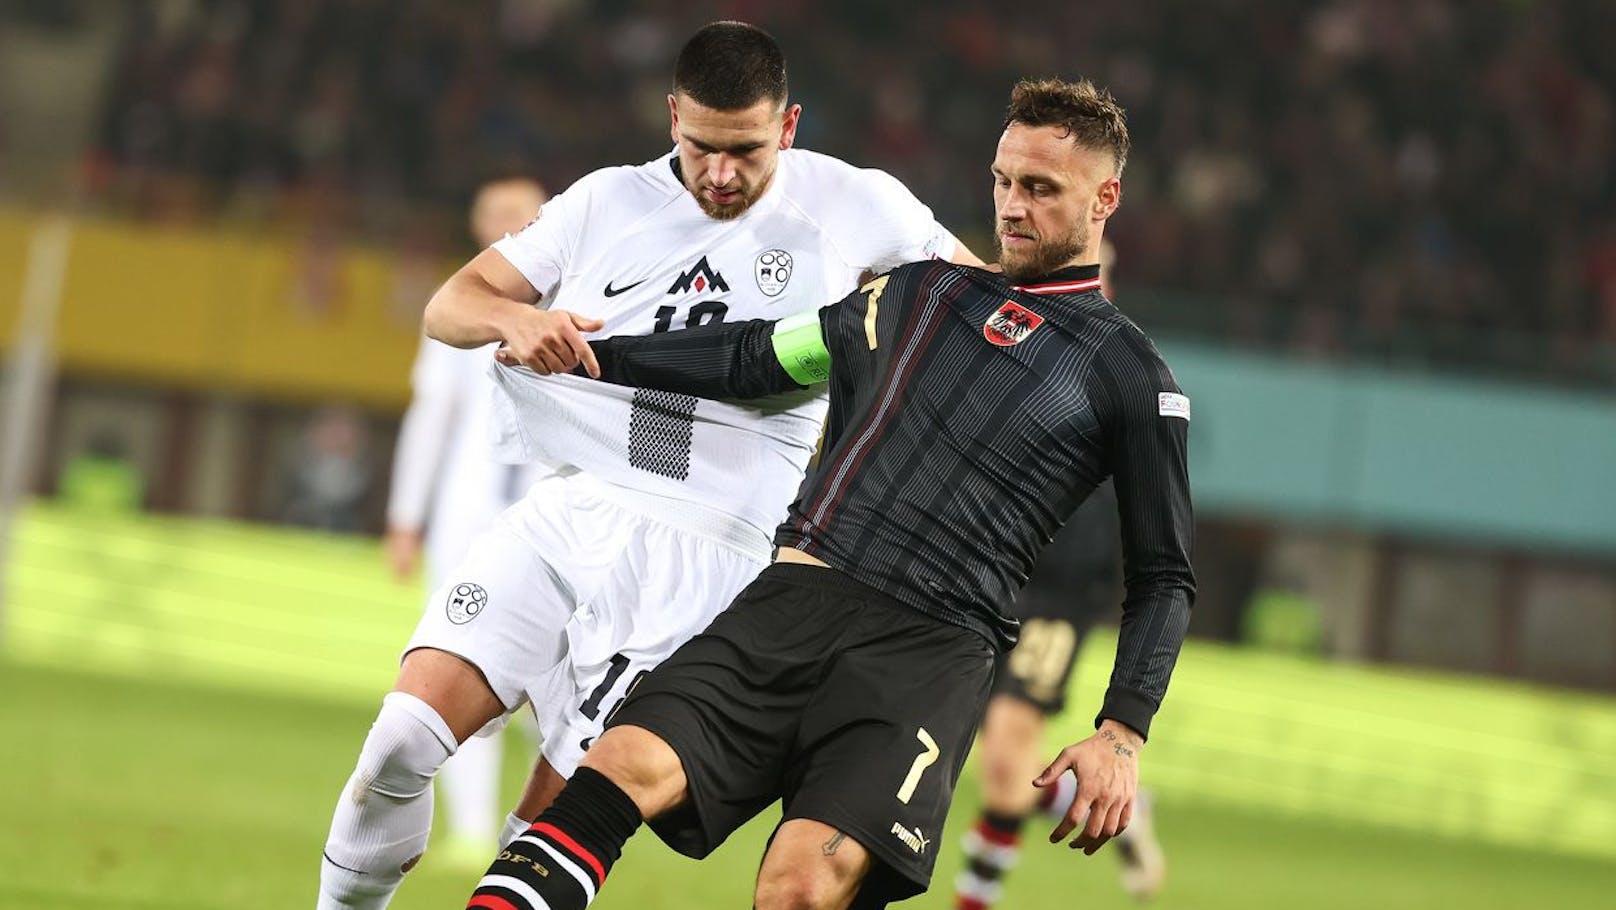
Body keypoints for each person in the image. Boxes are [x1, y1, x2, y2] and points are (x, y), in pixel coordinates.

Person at [468, 77, 1194, 910]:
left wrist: (1122, 731)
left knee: (801, 888)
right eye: (1002, 180)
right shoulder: (915, 293)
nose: (1010, 206)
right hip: (795, 598)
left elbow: (1165, 575)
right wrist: (587, 352)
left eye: (1040, 189)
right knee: (619, 765)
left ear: (1106, 198)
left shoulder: (1132, 376)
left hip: (927, 656)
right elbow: (754, 359)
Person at [316, 21, 979, 910]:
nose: (718, 173)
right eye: (700, 146)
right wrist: (515, 321)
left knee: (550, 828)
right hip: (570, 514)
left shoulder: (857, 205)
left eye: (744, 151)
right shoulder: (605, 202)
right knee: (397, 742)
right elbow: (452, 303)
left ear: (788, 128)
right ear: (672, 116)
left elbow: (984, 309)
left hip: (711, 562)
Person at [383, 173, 548, 866]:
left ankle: (543, 831)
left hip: (551, 516)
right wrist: (404, 515)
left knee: (558, 679)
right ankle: (474, 829)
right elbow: (430, 421)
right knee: (460, 661)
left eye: (523, 216)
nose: (509, 227)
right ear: (481, 228)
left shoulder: (582, 301)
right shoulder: (458, 308)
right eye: (497, 217)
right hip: (468, 511)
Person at [954, 480, 1167, 910]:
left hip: (1061, 577)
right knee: (996, 763)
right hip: (987, 562)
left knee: (1004, 760)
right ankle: (1117, 808)